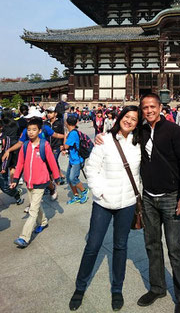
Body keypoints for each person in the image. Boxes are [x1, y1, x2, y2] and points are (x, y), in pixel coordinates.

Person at [69, 106, 142, 312]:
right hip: (103, 202)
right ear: (119, 118)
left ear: (138, 123)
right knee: (93, 245)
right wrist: (99, 191)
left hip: (127, 202)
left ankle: (117, 288)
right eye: (126, 117)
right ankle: (80, 287)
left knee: (120, 246)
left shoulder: (139, 143)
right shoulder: (105, 140)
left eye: (134, 119)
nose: (129, 121)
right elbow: (91, 168)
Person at [138, 94, 180, 313]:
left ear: (160, 107)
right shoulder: (140, 131)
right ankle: (157, 287)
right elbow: (120, 135)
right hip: (148, 197)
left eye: (152, 106)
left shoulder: (174, 131)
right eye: (145, 107)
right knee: (152, 244)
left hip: (171, 196)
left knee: (175, 247)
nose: (149, 110)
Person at [10, 118, 60, 247]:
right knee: (35, 205)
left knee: (32, 210)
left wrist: (56, 176)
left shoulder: (44, 145)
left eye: (34, 130)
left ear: (39, 131)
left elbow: (52, 162)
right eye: (29, 130)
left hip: (41, 181)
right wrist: (15, 179)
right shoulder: (25, 145)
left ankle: (24, 237)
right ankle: (43, 222)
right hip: (28, 181)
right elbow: (20, 163)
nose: (31, 132)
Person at [0, 118, 24, 214]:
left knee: (4, 187)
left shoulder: (6, 139)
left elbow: (7, 154)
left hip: (1, 167)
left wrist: (3, 167)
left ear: (0, 128)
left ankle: (16, 194)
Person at [61, 115, 89, 204]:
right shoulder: (74, 132)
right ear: (76, 122)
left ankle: (84, 191)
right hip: (73, 159)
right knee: (69, 179)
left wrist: (65, 137)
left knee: (73, 178)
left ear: (66, 123)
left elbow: (65, 146)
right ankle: (76, 195)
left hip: (77, 160)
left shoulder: (72, 133)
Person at [44, 107, 65, 184]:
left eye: (51, 113)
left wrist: (63, 145)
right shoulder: (45, 123)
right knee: (51, 161)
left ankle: (57, 176)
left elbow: (63, 134)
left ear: (55, 113)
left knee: (54, 159)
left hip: (57, 145)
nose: (49, 114)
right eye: (48, 113)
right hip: (47, 145)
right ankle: (57, 175)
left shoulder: (59, 123)